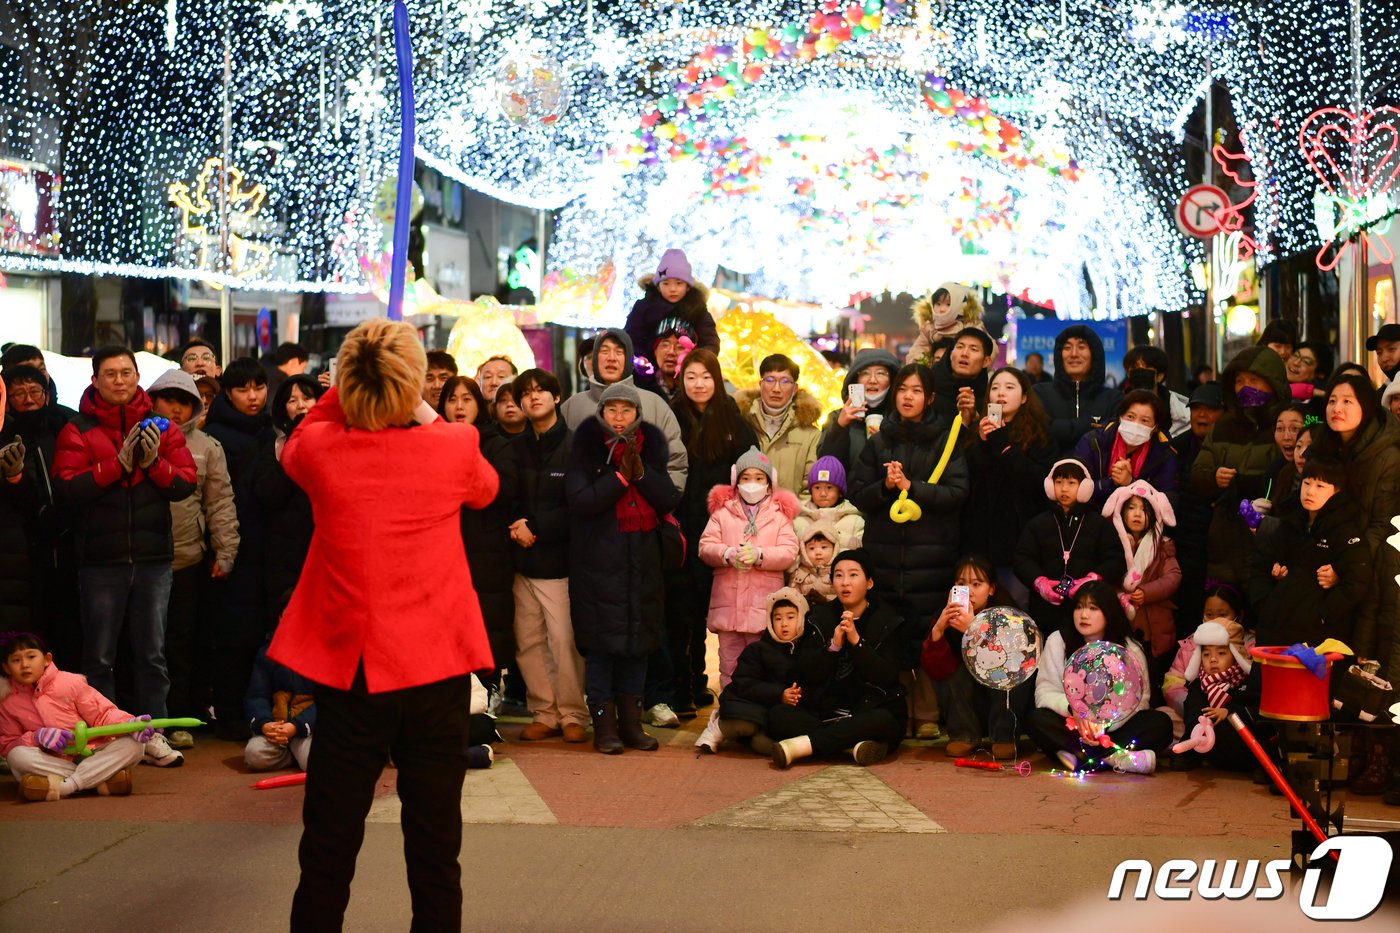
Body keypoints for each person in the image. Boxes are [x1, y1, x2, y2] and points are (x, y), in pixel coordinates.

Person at [266, 318, 499, 931]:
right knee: (434, 851)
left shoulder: (320, 452)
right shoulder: (452, 447)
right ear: (413, 383)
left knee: (328, 849)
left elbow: (304, 435)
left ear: (347, 381)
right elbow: (486, 490)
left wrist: (347, 386)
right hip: (435, 666)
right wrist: (417, 405)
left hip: (354, 673)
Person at [51, 346, 196, 768]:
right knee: (100, 657)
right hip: (100, 560)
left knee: (152, 653)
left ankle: (155, 735)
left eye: (126, 373)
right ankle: (109, 737)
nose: (119, 380)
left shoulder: (161, 427)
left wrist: (153, 465)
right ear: (95, 380)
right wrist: (118, 464)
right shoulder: (78, 428)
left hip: (153, 559)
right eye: (110, 374)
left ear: (137, 377)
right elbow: (70, 489)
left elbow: (185, 482)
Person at [849, 363, 968, 738]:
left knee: (926, 631)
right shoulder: (878, 440)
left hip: (931, 556)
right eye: (902, 389)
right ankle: (896, 711)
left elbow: (957, 493)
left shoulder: (946, 440)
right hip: (885, 557)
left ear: (930, 397)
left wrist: (912, 486)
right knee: (890, 633)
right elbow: (858, 492)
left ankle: (929, 713)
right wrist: (886, 485)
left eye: (916, 391)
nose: (907, 397)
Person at [566, 383, 682, 754]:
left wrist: (641, 473)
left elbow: (668, 499)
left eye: (626, 411)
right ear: (601, 413)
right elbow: (582, 501)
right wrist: (619, 478)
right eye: (612, 410)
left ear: (637, 415)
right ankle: (604, 727)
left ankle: (631, 725)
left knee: (638, 645)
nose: (619, 418)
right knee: (602, 648)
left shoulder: (652, 448)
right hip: (599, 564)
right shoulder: (584, 450)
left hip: (642, 564)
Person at [147, 369, 239, 747]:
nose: (176, 408)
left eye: (185, 402)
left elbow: (219, 504)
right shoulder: (137, 439)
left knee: (181, 644)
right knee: (143, 645)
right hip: (140, 561)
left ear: (196, 408)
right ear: (152, 400)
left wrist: (226, 550)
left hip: (187, 558)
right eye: (168, 399)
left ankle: (179, 718)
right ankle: (141, 719)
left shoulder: (207, 447)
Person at [667, 349, 757, 715]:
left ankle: (718, 685)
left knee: (719, 613)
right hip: (682, 531)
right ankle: (684, 687)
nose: (698, 384)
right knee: (681, 613)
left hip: (725, 534)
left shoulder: (735, 422)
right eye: (691, 377)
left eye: (705, 376)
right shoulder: (672, 418)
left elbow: (753, 475)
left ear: (717, 379)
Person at [769, 549, 917, 768]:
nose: (845, 582)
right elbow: (805, 672)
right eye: (838, 575)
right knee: (777, 715)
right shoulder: (819, 617)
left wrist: (857, 642)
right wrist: (833, 646)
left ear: (869, 583)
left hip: (869, 711)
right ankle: (848, 745)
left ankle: (803, 747)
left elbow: (887, 677)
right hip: (826, 713)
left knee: (884, 721)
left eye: (853, 575)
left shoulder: (888, 620)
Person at [506, 368, 590, 744]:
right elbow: (507, 496)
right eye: (526, 393)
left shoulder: (575, 446)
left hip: (559, 564)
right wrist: (516, 526)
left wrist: (535, 526)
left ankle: (573, 713)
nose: (533, 397)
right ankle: (544, 711)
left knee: (563, 641)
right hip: (521, 563)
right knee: (528, 642)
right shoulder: (516, 447)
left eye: (541, 391)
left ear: (557, 397)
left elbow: (577, 506)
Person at [202, 356, 276, 740]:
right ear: (227, 393)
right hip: (233, 547)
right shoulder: (217, 434)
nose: (253, 396)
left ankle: (255, 712)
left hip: (267, 545)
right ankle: (231, 714)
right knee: (234, 635)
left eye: (259, 387)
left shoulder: (271, 429)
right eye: (243, 389)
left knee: (260, 631)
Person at [1028, 580, 1172, 774]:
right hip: (1073, 725)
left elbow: (1141, 700)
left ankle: (1084, 757)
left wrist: (1103, 723)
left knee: (1160, 723)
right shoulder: (1058, 641)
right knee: (1036, 720)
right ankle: (1114, 758)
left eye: (1093, 608)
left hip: (1115, 728)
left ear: (1109, 612)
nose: (1084, 615)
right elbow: (1044, 692)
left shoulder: (1130, 648)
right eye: (1079, 607)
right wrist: (1075, 710)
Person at [439, 376, 518, 702]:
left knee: (489, 620)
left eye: (467, 399)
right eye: (452, 399)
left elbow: (504, 489)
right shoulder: (432, 440)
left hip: (487, 547)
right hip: (444, 545)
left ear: (479, 405)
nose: (459, 406)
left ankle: (488, 689)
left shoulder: (496, 443)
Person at [1, 631, 151, 801]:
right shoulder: (7, 701)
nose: (25, 665)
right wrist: (37, 738)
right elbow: (7, 744)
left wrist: (130, 725)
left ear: (47, 659)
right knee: (16, 757)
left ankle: (65, 786)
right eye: (16, 660)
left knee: (136, 745)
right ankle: (98, 779)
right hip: (54, 761)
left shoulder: (71, 682)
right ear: (6, 667)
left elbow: (103, 714)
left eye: (31, 657)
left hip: (92, 752)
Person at [698, 446, 801, 686]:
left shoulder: (779, 515)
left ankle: (757, 716)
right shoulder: (722, 512)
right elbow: (705, 546)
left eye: (758, 477)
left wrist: (760, 555)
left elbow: (789, 552)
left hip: (762, 607)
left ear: (769, 482)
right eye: (745, 478)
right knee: (729, 667)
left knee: (761, 667)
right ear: (736, 481)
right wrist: (727, 554)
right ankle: (729, 715)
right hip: (728, 609)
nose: (751, 483)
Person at [1188, 345, 1288, 589]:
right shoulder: (1223, 426)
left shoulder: (1288, 421)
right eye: (1240, 381)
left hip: (1269, 534)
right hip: (1225, 534)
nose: (1246, 387)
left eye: (1254, 380)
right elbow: (1198, 473)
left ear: (1273, 382)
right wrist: (1214, 477)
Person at [1249, 456, 1371, 651]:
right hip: (1273, 631)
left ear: (1337, 490)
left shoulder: (1345, 531)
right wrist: (1265, 603)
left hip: (1316, 641)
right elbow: (1259, 565)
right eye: (1307, 483)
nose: (1310, 492)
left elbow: (1357, 581)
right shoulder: (1288, 523)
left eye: (1320, 486)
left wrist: (1322, 615)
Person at [920, 554, 1032, 760]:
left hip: (1001, 701)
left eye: (977, 584)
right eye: (961, 584)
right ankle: (964, 735)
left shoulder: (1009, 616)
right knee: (954, 672)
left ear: (991, 588)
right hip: (967, 703)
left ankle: (1004, 736)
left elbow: (1014, 663)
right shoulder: (946, 616)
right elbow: (938, 671)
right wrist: (938, 631)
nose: (969, 591)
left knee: (1008, 671)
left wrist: (974, 631)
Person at [962, 366, 1056, 608]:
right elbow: (967, 481)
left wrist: (1003, 443)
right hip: (981, 541)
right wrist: (982, 444)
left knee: (1016, 611)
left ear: (1025, 397)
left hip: (1020, 540)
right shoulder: (976, 433)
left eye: (1009, 387)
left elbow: (1039, 482)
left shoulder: (1040, 434)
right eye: (995, 387)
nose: (1000, 393)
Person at [1, 364, 78, 657]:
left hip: (68, 544)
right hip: (24, 550)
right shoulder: (7, 434)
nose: (28, 398)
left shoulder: (63, 426)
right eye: (19, 392)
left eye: (35, 391)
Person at [559, 328, 688, 493]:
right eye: (604, 351)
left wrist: (666, 503)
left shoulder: (655, 404)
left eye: (619, 352)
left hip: (645, 515)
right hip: (586, 514)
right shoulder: (572, 407)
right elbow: (560, 464)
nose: (611, 358)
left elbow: (675, 462)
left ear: (628, 360)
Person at [1014, 459, 1126, 639]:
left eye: (1071, 483)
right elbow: (1022, 560)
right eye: (1059, 482)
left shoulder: (1099, 524)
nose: (1064, 489)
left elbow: (1116, 560)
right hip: (1045, 611)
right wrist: (1040, 582)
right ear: (1051, 486)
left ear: (1084, 488)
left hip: (1087, 610)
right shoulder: (1037, 524)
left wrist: (1092, 579)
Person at [695, 587, 809, 755]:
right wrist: (779, 694)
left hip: (776, 714)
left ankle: (749, 737)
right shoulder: (758, 649)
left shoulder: (807, 650)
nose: (784, 624)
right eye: (777, 618)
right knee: (746, 723)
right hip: (749, 703)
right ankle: (718, 726)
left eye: (791, 617)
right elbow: (745, 684)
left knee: (765, 745)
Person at [254, 374, 325, 632]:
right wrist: (297, 443)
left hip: (323, 552)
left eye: (307, 398)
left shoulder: (336, 441)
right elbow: (268, 494)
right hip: (284, 559)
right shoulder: (275, 447)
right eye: (292, 400)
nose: (301, 405)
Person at [1102, 480, 1180, 704]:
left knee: (1151, 677)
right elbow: (1105, 575)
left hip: (1152, 625)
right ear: (1121, 512)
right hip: (1122, 621)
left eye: (1144, 509)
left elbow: (1173, 577)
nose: (1137, 514)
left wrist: (1147, 592)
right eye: (1131, 508)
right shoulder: (1113, 544)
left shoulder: (1162, 545)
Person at [1169, 383, 1223, 634]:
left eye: (1209, 409)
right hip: (1184, 544)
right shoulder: (1175, 448)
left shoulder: (1231, 447)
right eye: (1196, 409)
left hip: (1218, 548)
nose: (1201, 415)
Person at [1072, 389, 1178, 509]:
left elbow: (1168, 502)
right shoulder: (1093, 442)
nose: (1136, 424)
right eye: (1130, 416)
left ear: (1155, 427)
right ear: (1120, 417)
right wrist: (1112, 482)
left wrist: (1132, 484)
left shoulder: (1164, 454)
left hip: (1139, 523)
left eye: (1144, 420)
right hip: (1092, 517)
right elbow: (1073, 489)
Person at [734, 353, 823, 494]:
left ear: (795, 388)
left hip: (793, 514)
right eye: (770, 380)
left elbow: (811, 486)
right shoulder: (739, 424)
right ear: (760, 384)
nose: (776, 388)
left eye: (785, 381)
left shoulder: (811, 435)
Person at [1033, 324, 1123, 454]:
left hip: (1098, 473)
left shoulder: (1114, 399)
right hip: (1049, 472)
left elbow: (1112, 440)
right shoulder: (1040, 393)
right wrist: (1090, 424)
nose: (1074, 354)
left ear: (1094, 354)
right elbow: (1038, 434)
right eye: (1067, 347)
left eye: (1081, 347)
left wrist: (1057, 427)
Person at [623, 249, 720, 367]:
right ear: (658, 286)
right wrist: (641, 359)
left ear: (688, 286)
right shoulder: (644, 307)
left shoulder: (697, 309)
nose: (672, 289)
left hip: (687, 369)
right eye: (666, 283)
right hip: (649, 369)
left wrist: (699, 362)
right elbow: (631, 337)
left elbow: (710, 340)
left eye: (679, 283)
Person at [816, 347, 899, 475]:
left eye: (881, 373)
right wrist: (839, 427)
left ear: (892, 380)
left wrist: (887, 445)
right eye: (865, 373)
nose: (872, 380)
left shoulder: (900, 418)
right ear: (855, 379)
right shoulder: (837, 417)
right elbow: (824, 469)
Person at [243, 639, 316, 773]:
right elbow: (256, 696)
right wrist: (265, 724)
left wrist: (296, 726)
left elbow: (328, 702)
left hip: (307, 730)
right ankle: (293, 755)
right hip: (276, 727)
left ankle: (298, 753)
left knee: (313, 761)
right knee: (254, 755)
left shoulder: (321, 650)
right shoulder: (267, 651)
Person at [793, 456, 865, 551]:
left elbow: (860, 552)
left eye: (829, 487)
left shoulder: (855, 521)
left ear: (840, 492)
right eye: (817, 487)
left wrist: (836, 536)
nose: (823, 493)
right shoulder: (798, 521)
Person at [931, 326, 995, 429]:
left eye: (973, 349)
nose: (964, 354)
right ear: (951, 354)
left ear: (986, 361)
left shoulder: (990, 401)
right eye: (960, 347)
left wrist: (975, 418)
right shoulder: (928, 389)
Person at [906, 283, 985, 365]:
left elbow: (988, 350)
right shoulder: (929, 328)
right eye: (938, 304)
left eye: (948, 304)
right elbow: (917, 350)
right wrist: (922, 364)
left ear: (960, 306)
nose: (942, 309)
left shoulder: (971, 326)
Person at [1123, 345, 1189, 437]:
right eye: (1135, 369)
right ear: (1128, 374)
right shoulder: (1116, 405)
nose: (1140, 374)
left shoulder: (1182, 415)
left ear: (1159, 376)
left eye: (1146, 369)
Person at [788, 521, 838, 604]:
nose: (818, 552)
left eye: (824, 547)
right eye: (812, 548)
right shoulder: (798, 574)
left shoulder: (838, 572)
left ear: (834, 549)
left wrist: (825, 601)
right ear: (804, 550)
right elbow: (792, 601)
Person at [1286, 340, 1332, 413]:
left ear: (1320, 374)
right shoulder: (1271, 382)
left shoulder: (1320, 407)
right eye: (1295, 355)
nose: (1296, 363)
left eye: (1306, 362)